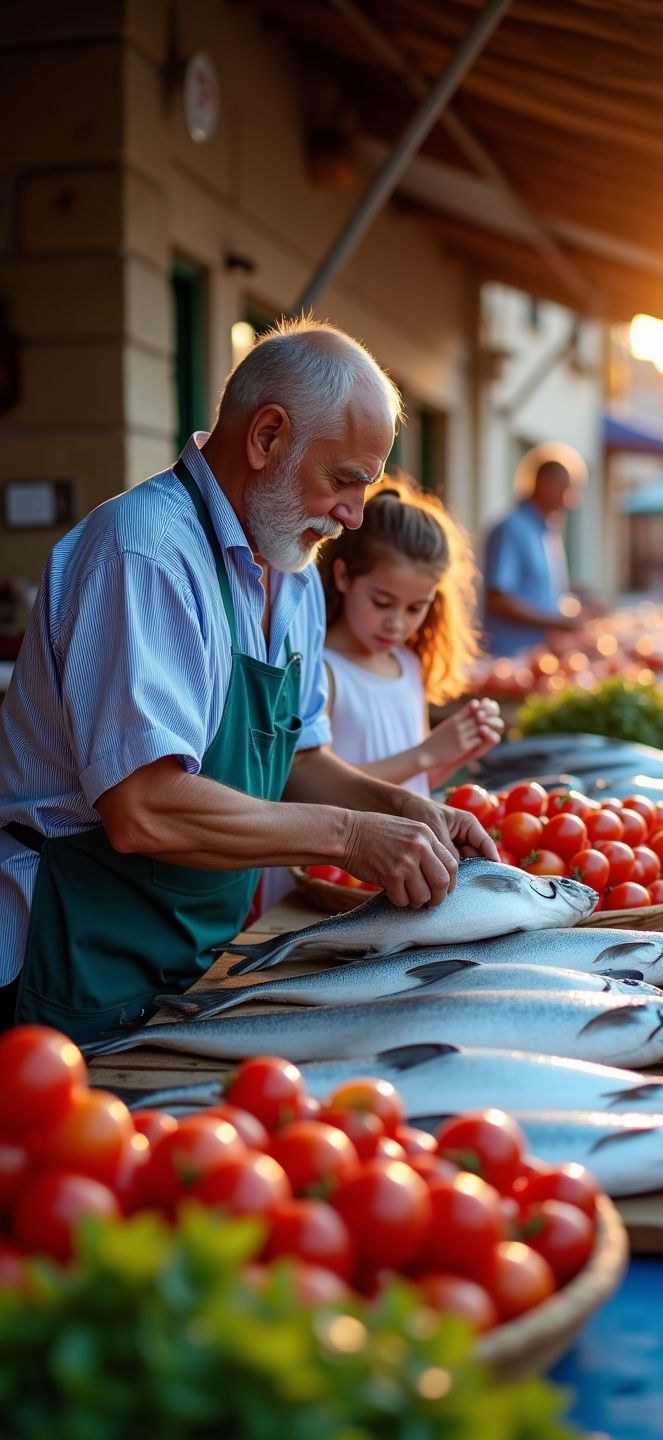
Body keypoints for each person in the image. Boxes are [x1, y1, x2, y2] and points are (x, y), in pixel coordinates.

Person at [0, 318, 498, 1041]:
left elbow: (297, 758)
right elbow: (144, 808)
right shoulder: (144, 554)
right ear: (266, 437)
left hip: (198, 956)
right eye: (344, 481)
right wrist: (354, 836)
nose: (353, 517)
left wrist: (403, 812)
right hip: (73, 957)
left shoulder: (290, 570)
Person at [319, 477, 504, 796]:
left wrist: (459, 749)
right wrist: (428, 753)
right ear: (343, 576)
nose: (396, 623)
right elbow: (319, 790)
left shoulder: (408, 664)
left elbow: (413, 782)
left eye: (415, 608)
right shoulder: (323, 672)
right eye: (382, 602)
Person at [482, 442, 590, 657]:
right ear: (544, 483)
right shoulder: (512, 528)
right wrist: (558, 622)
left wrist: (578, 595)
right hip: (510, 656)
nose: (569, 499)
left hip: (540, 653)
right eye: (565, 488)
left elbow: (536, 589)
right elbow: (498, 599)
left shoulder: (546, 530)